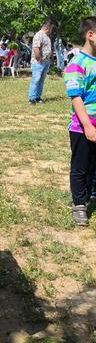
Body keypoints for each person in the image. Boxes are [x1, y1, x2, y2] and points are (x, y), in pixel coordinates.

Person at [63, 16, 96, 226]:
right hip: (82, 126)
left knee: (94, 165)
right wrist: (87, 126)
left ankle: (90, 193)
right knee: (81, 167)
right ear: (90, 35)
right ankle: (79, 204)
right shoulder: (77, 64)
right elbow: (76, 97)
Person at [28, 19, 54, 105]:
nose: (51, 30)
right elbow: (36, 48)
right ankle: (31, 98)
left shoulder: (46, 36)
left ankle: (37, 97)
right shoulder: (39, 35)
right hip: (38, 62)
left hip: (46, 62)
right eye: (51, 28)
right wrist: (39, 60)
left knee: (41, 80)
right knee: (36, 80)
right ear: (47, 27)